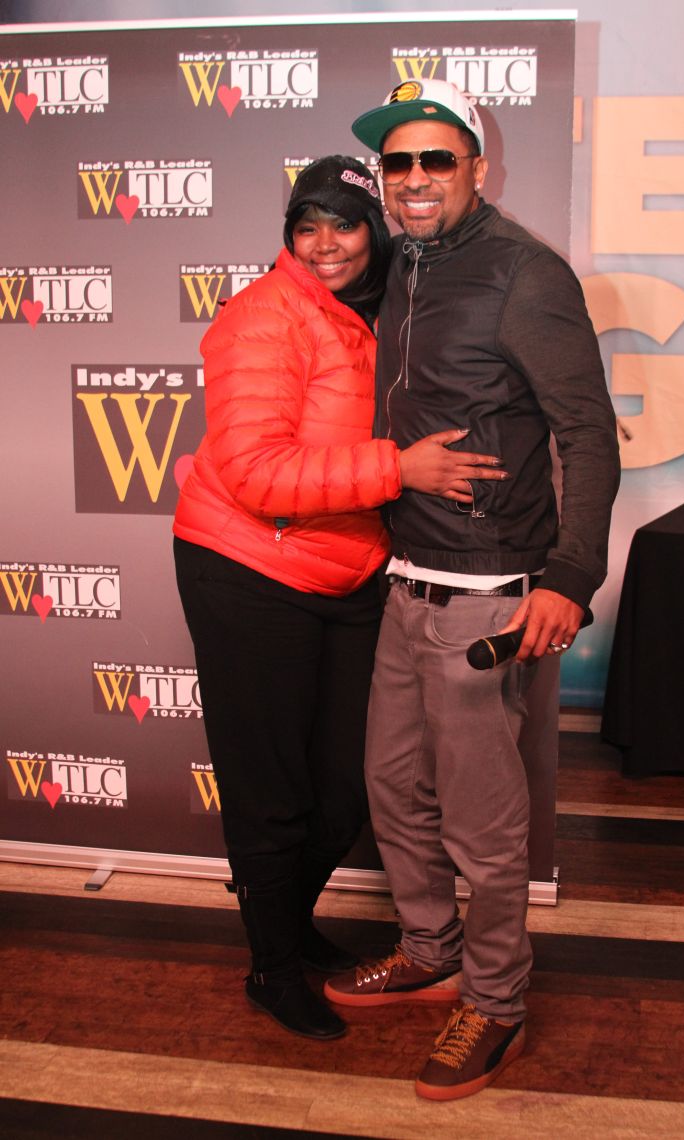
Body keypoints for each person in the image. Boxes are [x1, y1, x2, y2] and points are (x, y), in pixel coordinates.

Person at [324, 82, 621, 1098]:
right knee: (393, 790)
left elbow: (587, 433)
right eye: (397, 162)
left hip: (489, 593)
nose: (413, 179)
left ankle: (495, 1001)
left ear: (475, 169)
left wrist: (570, 577)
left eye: (435, 160)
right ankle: (431, 949)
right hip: (406, 579)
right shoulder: (405, 261)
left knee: (484, 830)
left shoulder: (525, 274)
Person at [173, 154, 505, 1043]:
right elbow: (255, 473)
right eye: (306, 226)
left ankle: (284, 924)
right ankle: (272, 967)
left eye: (344, 224)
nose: (324, 244)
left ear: (374, 231)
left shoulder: (389, 307)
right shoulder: (263, 316)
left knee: (351, 790)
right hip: (248, 567)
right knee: (270, 790)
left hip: (350, 568)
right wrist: (401, 469)